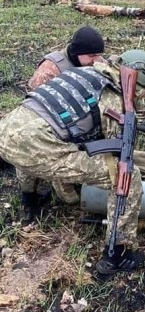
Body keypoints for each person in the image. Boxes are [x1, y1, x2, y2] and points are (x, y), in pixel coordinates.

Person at [0, 49, 145, 276]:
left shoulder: (87, 72)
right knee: (125, 176)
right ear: (140, 80)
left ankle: (30, 200)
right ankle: (118, 253)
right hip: (34, 148)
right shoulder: (112, 97)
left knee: (34, 142)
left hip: (9, 129)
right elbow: (115, 149)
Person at [24, 26, 107, 205]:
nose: (97, 60)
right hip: (49, 123)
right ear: (77, 53)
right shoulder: (49, 71)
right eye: (92, 56)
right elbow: (35, 110)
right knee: (29, 155)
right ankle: (30, 196)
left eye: (99, 54)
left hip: (76, 118)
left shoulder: (94, 61)